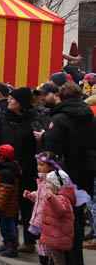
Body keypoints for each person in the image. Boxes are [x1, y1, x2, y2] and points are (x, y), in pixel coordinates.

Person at [42, 81, 96, 265]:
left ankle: (62, 260)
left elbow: (51, 152)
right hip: (86, 175)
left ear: (60, 97)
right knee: (77, 218)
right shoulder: (90, 117)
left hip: (64, 177)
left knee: (61, 219)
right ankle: (75, 259)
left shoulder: (59, 119)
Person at [0, 86, 40, 255]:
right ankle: (9, 241)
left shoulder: (34, 119)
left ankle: (29, 241)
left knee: (26, 208)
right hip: (6, 171)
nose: (8, 101)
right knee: (6, 208)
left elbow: (37, 146)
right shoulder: (5, 117)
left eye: (12, 99)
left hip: (26, 170)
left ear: (20, 103)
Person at [24, 152, 63, 265]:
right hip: (40, 218)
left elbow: (53, 199)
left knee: (48, 245)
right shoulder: (42, 179)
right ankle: (43, 261)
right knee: (41, 243)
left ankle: (47, 261)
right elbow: (40, 194)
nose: (38, 167)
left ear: (51, 166)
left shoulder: (53, 181)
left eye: (42, 164)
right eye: (38, 164)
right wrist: (32, 195)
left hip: (48, 219)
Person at [0, 144, 23, 258]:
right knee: (4, 227)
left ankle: (12, 247)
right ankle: (7, 244)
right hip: (4, 207)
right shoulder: (4, 169)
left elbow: (5, 191)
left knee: (9, 227)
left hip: (6, 207)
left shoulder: (7, 172)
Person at [39, 169, 76, 265]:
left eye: (49, 182)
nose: (46, 185)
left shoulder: (62, 198)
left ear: (57, 184)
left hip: (59, 236)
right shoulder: (58, 196)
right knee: (55, 257)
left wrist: (51, 198)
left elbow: (61, 210)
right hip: (55, 235)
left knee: (58, 259)